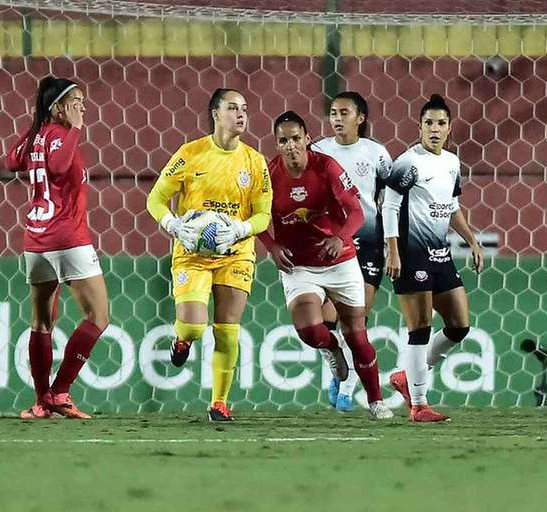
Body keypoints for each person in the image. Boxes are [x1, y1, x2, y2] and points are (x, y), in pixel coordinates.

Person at [146, 88, 272, 422]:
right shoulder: (191, 154)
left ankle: (219, 402)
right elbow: (155, 199)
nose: (241, 114)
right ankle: (181, 341)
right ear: (215, 114)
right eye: (232, 108)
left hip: (236, 253)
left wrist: (241, 230)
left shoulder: (255, 162)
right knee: (193, 327)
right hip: (192, 251)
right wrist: (172, 225)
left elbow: (263, 215)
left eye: (244, 108)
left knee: (228, 329)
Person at [258, 110, 393, 420]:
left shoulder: (327, 167)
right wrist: (271, 244)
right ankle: (332, 349)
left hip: (339, 260)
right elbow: (253, 216)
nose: (290, 146)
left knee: (358, 335)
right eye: (283, 141)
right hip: (299, 266)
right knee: (309, 332)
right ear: (277, 145)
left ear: (307, 139)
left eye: (295, 138)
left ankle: (375, 400)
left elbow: (356, 212)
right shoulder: (269, 176)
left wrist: (341, 238)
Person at [5, 76, 110, 420]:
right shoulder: (62, 137)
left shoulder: (37, 137)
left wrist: (37, 124)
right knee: (98, 316)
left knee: (41, 323)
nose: (83, 106)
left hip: (35, 242)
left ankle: (40, 401)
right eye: (76, 101)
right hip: (68, 239)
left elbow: (11, 161)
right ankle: (60, 391)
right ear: (58, 108)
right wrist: (74, 129)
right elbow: (60, 165)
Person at [382, 94, 484, 423]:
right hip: (411, 254)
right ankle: (418, 404)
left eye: (441, 123)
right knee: (421, 326)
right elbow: (390, 206)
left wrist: (472, 241)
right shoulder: (408, 162)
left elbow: (451, 207)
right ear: (419, 127)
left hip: (440, 254)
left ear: (449, 128)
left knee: (459, 325)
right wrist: (393, 250)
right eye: (429, 123)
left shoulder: (452, 163)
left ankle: (406, 376)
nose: (435, 129)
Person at [311, 91, 393, 412]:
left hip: (369, 243)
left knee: (357, 319)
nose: (337, 118)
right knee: (326, 320)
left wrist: (393, 245)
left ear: (360, 118)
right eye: (333, 112)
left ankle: (347, 384)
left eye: (344, 112)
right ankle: (340, 365)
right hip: (332, 244)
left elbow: (392, 201)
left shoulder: (377, 154)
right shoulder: (318, 151)